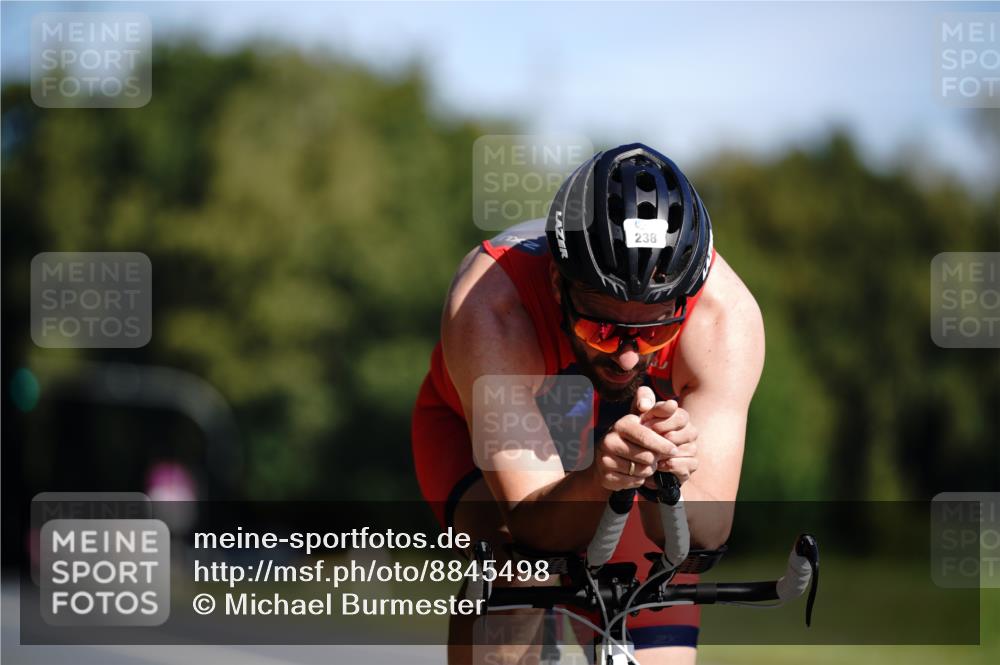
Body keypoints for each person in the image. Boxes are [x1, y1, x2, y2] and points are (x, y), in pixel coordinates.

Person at [412, 143, 765, 665]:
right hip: (476, 442)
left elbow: (704, 539)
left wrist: (671, 481)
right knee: (520, 567)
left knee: (663, 587)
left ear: (685, 301)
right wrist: (601, 478)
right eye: (601, 328)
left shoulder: (724, 316)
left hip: (619, 450)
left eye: (652, 333)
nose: (626, 359)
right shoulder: (491, 303)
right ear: (558, 283)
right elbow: (533, 524)